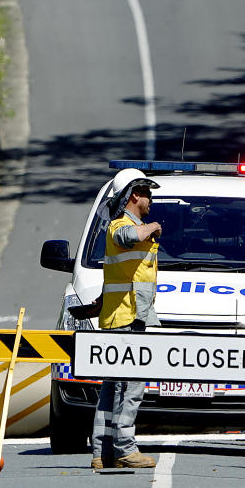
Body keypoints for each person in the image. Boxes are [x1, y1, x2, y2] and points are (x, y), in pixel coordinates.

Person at [91, 168, 162, 470]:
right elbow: (127, 235)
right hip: (128, 318)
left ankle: (102, 452)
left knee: (111, 388)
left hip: (123, 315)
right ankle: (124, 449)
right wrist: (153, 227)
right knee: (130, 389)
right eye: (147, 194)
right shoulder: (121, 225)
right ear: (134, 195)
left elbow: (118, 275)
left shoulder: (124, 227)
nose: (150, 200)